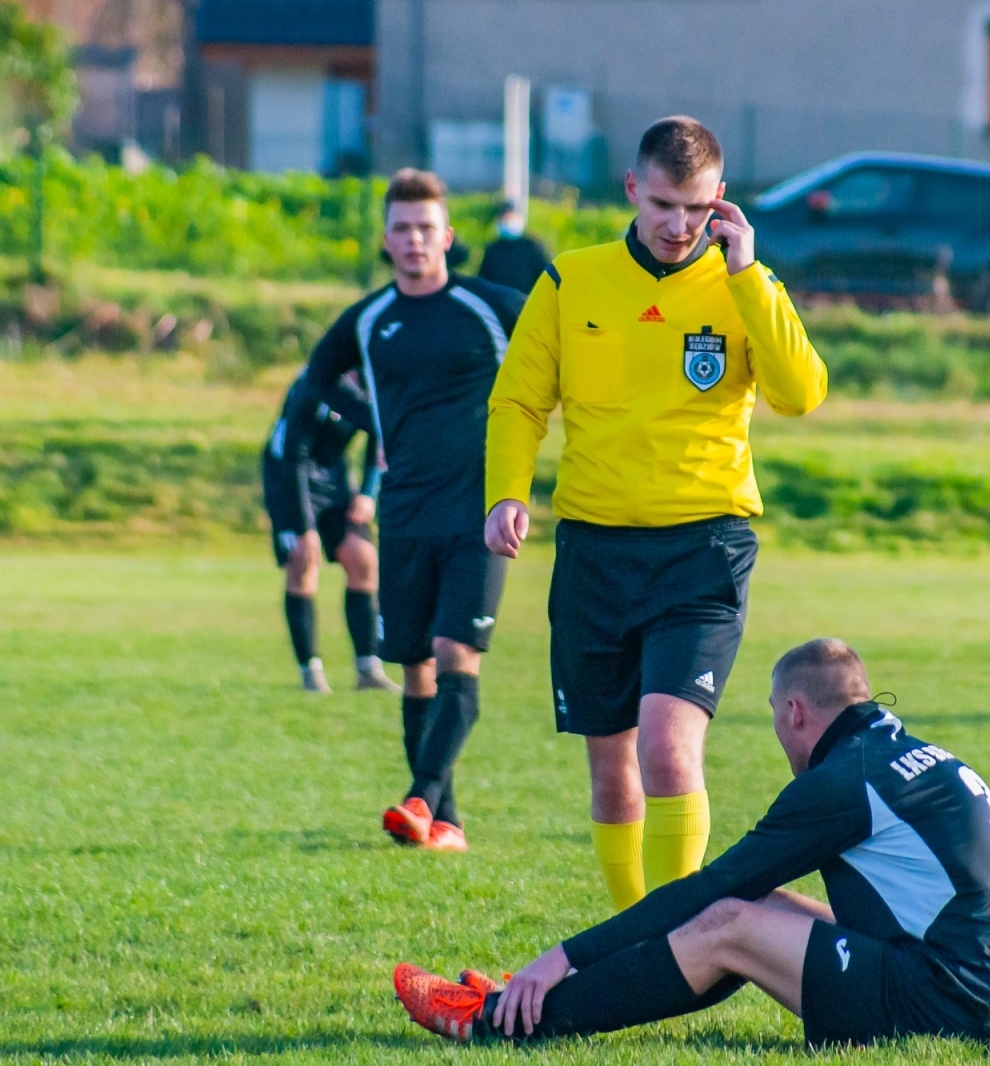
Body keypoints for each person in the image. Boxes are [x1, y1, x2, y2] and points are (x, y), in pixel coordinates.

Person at [483, 117, 827, 907]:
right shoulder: (572, 281)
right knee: (613, 773)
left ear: (722, 204)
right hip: (596, 553)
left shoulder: (746, 288)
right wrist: (506, 492)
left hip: (702, 549)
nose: (680, 226)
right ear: (634, 189)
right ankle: (631, 942)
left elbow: (800, 394)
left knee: (669, 754)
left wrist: (749, 278)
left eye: (698, 209)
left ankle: (678, 947)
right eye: (666, 205)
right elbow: (518, 401)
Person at [393, 638, 990, 1048]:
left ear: (794, 712)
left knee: (728, 921)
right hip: (989, 994)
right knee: (766, 907)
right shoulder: (909, 754)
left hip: (948, 1002)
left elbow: (713, 889)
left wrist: (563, 955)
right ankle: (530, 1004)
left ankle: (501, 1019)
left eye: (772, 715)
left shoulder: (844, 779)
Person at [305, 169, 525, 851]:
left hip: (477, 514)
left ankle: (417, 799)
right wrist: (373, 423)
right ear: (386, 239)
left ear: (448, 237)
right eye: (401, 228)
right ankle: (444, 821)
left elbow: (557, 356)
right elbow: (317, 376)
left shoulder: (491, 306)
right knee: (415, 666)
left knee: (456, 649)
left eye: (426, 228)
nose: (413, 240)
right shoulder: (370, 320)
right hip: (403, 513)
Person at [260, 368, 399, 694]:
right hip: (289, 476)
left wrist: (367, 491)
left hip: (333, 477)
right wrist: (305, 528)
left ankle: (369, 670)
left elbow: (381, 433)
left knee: (363, 559)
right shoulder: (317, 382)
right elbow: (293, 453)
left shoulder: (377, 382)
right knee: (303, 563)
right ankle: (311, 672)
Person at [477, 201, 550, 294]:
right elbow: (483, 280)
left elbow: (545, 276)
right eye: (503, 218)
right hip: (499, 303)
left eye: (510, 217)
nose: (506, 221)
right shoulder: (493, 249)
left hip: (526, 302)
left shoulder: (532, 246)